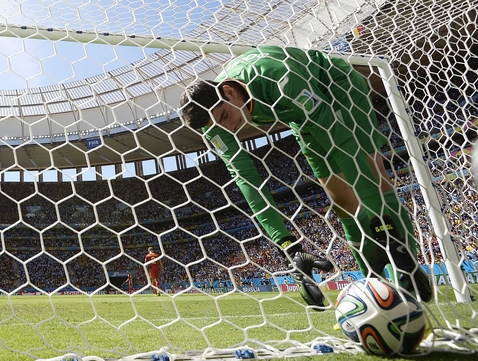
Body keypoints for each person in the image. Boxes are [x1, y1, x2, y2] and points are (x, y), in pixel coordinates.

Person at [179, 45, 432, 307]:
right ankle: (371, 279)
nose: (229, 128)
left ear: (229, 92)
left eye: (226, 116)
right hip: (301, 113)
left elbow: (344, 144)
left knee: (370, 172)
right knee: (341, 199)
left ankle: (405, 263)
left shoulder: (277, 78)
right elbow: (245, 178)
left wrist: (384, 226)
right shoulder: (213, 124)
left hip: (337, 88)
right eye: (218, 126)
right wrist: (287, 247)